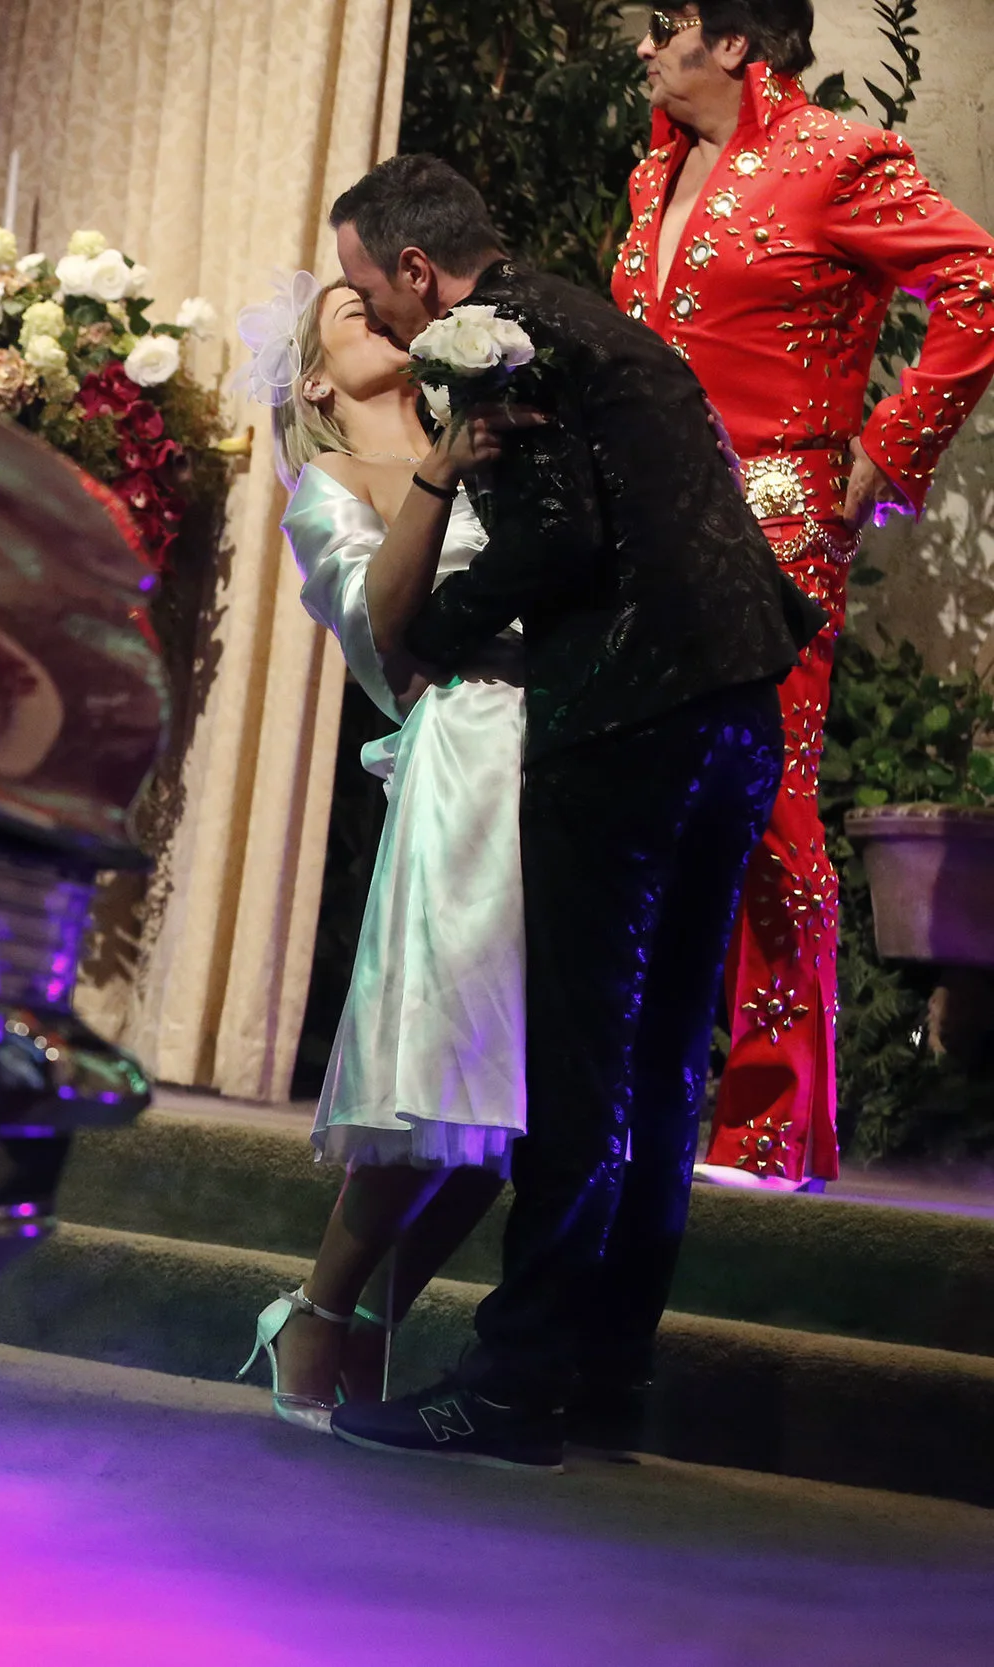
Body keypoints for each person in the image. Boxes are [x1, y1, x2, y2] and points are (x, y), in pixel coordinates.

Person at [322, 154, 822, 1470]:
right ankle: (606, 1368)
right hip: (739, 706)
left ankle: (516, 1379)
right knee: (662, 1064)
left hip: (632, 718)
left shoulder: (492, 345)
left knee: (582, 1054)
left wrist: (424, 633)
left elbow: (558, 543)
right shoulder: (595, 320)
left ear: (420, 274)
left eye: (374, 300)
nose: (382, 326)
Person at [616, 2, 994, 1190]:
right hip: (641, 536)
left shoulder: (835, 157)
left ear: (735, 41)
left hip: (775, 533)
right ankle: (631, 1107)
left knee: (765, 811)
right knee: (634, 812)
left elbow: (979, 283)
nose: (641, 47)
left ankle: (771, 1124)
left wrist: (886, 452)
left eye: (662, 24)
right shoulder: (650, 176)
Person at [232, 272, 522, 1432]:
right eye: (356, 319)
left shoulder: (490, 443)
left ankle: (369, 1327)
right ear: (314, 379)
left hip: (543, 748)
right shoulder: (329, 488)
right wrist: (439, 481)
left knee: (502, 1108)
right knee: (437, 1084)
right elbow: (376, 635)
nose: (388, 324)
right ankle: (316, 1306)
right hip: (460, 763)